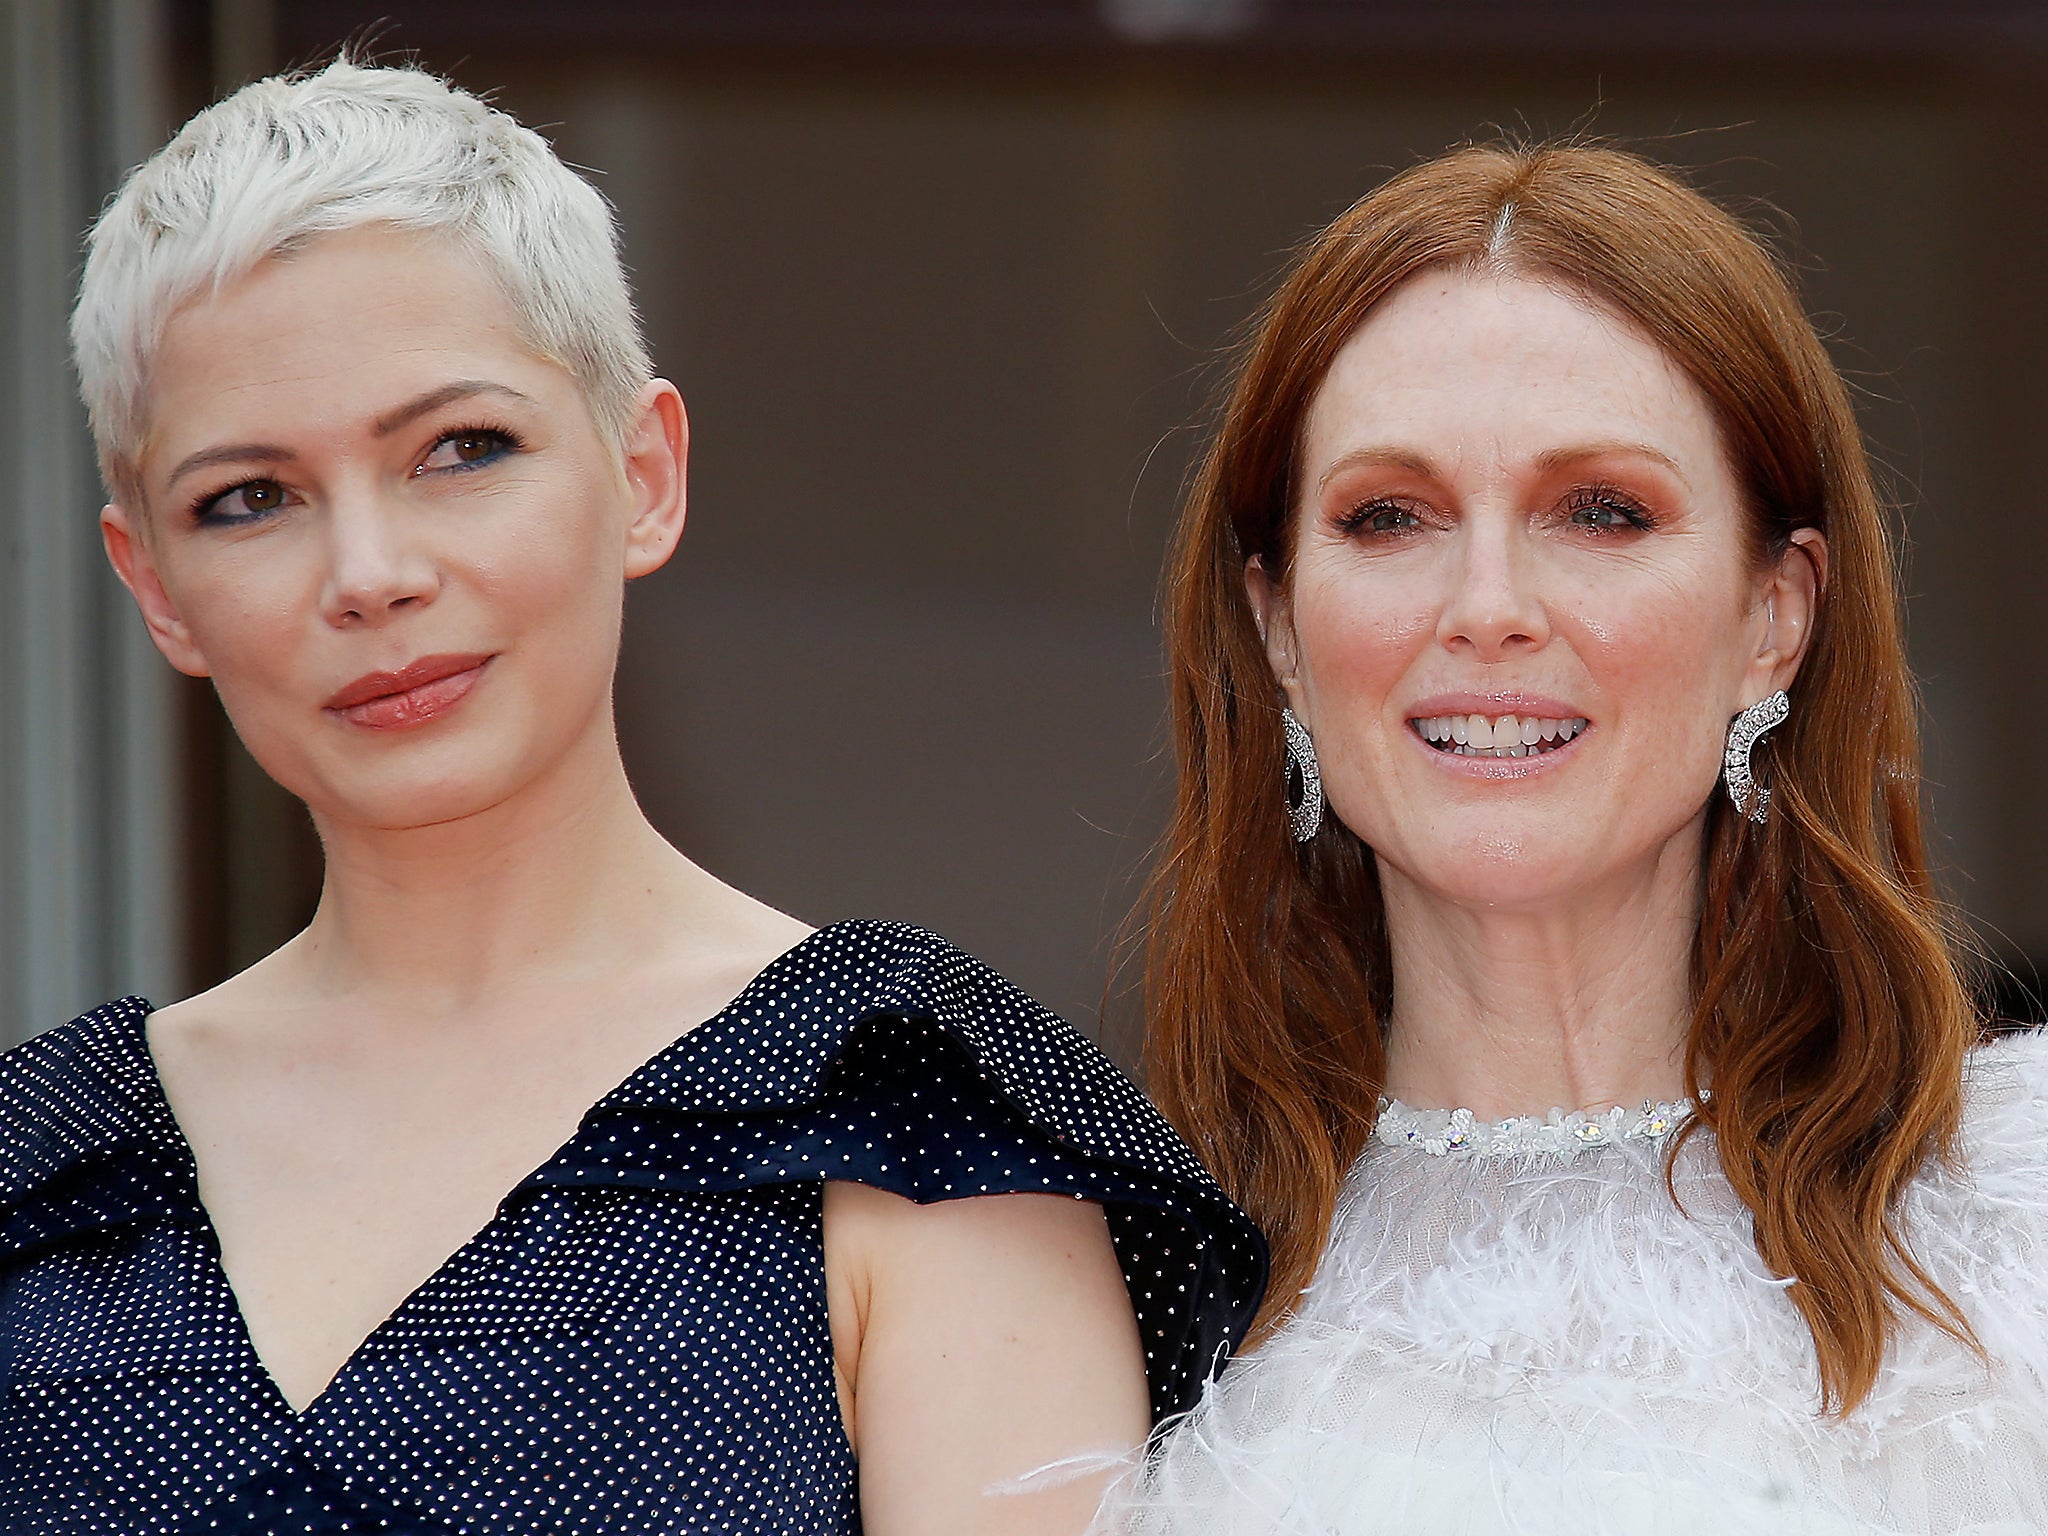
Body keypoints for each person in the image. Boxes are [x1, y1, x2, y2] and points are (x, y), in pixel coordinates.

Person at [0, 60, 1264, 1536]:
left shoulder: (915, 1110)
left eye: (460, 450)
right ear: (153, 582)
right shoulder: (40, 1167)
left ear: (644, 472)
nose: (370, 576)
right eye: (250, 498)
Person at [1101, 141, 2048, 1532]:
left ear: (1774, 621)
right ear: (1281, 631)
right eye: (1389, 517)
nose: (1489, 605)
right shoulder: (1109, 1289)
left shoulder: (2024, 1223)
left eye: (1601, 511)